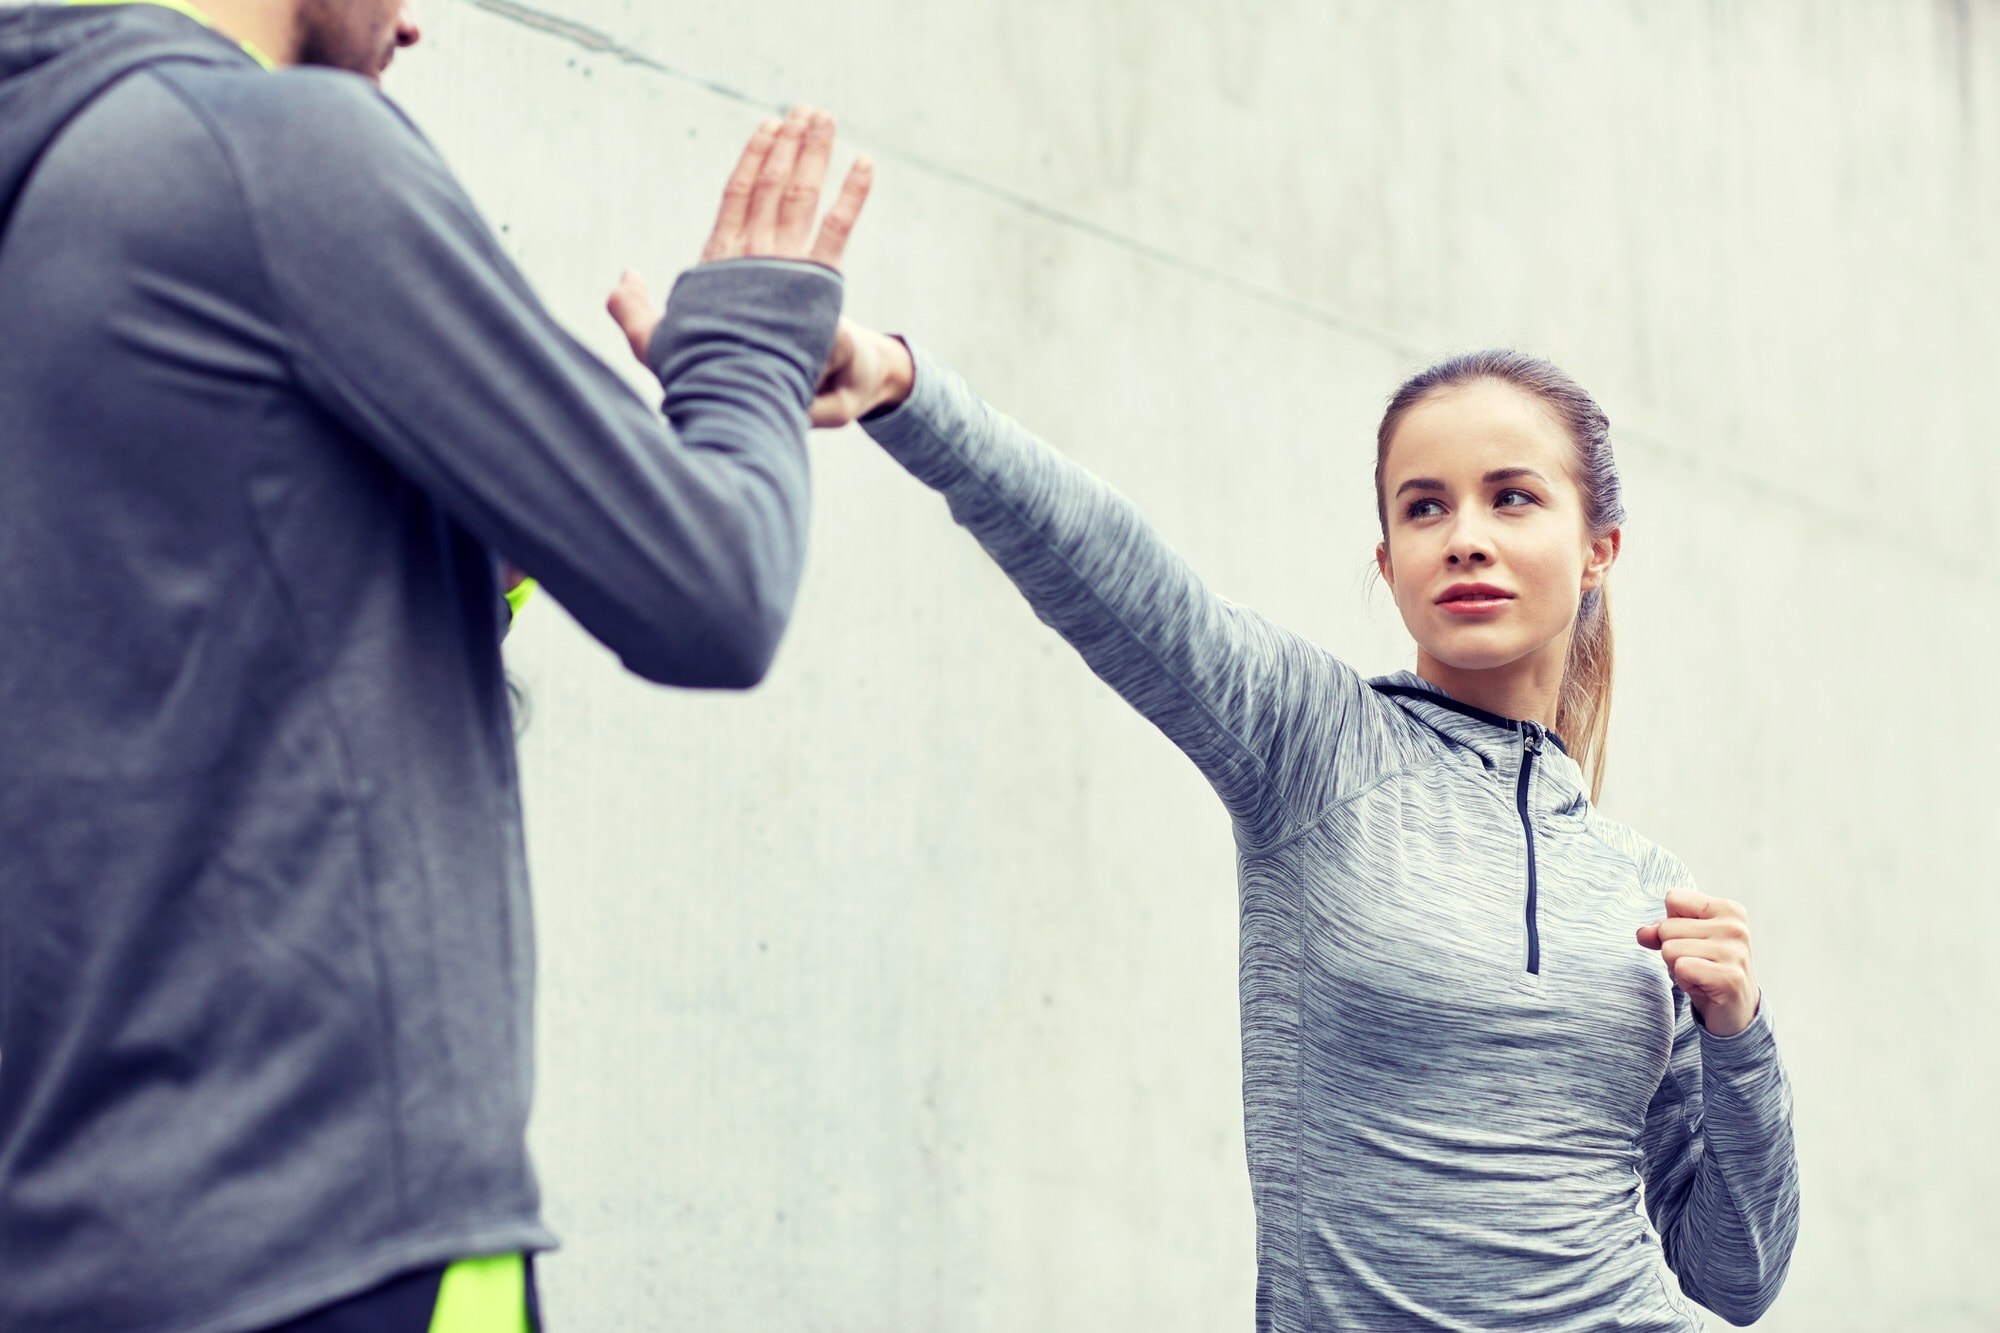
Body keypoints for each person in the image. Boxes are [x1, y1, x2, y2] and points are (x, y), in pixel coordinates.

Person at [0, 0, 872, 1326]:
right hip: (331, 1245)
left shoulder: (52, 198)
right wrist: (749, 341)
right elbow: (714, 584)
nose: (413, 25)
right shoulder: (279, 154)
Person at [788, 318, 1801, 1331]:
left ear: (1596, 550)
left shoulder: (1643, 883)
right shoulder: (1312, 745)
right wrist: (906, 390)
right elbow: (1122, 577)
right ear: (1388, 556)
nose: (1463, 535)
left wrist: (1737, 1036)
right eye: (1423, 507)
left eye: (1512, 497)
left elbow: (1733, 1276)